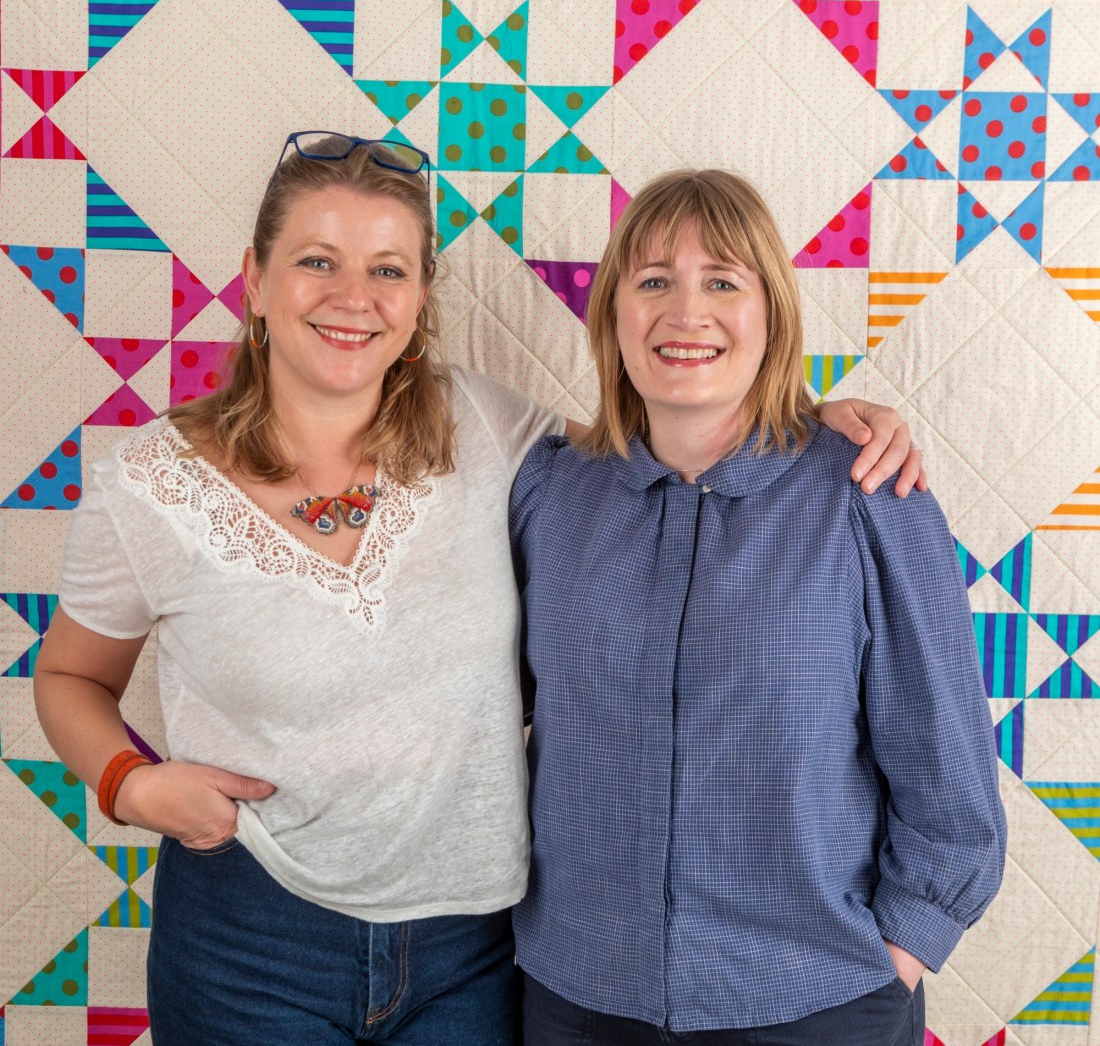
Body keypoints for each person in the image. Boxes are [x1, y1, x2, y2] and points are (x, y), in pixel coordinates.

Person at [34, 136, 923, 1045]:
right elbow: (68, 677)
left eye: (387, 268)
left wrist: (810, 420)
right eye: (316, 261)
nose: (353, 296)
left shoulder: (490, 430)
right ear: (255, 280)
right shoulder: (147, 483)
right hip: (251, 933)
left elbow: (676, 437)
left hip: (474, 949)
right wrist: (128, 784)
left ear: (420, 299)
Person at [510, 169, 1006, 1046]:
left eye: (724, 281)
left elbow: (948, 766)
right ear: (614, 314)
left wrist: (902, 948)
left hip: (814, 999)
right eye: (654, 280)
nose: (686, 311)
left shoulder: (866, 491)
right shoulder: (550, 493)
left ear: (770, 313)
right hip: (576, 998)